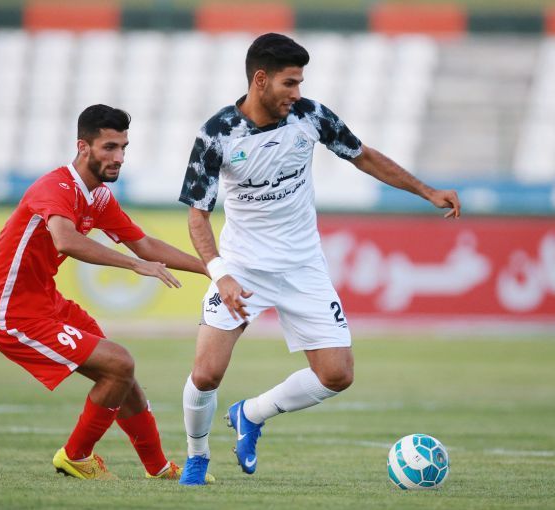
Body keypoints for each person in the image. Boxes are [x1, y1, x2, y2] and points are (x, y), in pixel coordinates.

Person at [176, 33, 461, 485]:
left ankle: (252, 413)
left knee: (336, 374)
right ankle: (197, 458)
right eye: (289, 83)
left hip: (302, 265)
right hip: (242, 268)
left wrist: (427, 191)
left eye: (300, 83)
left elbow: (363, 156)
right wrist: (221, 274)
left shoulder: (310, 116)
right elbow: (197, 217)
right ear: (260, 79)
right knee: (207, 373)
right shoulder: (218, 134)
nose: (297, 92)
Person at [0, 104, 213, 482]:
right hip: (13, 313)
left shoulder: (98, 196)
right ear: (83, 147)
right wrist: (133, 266)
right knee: (119, 364)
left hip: (47, 303)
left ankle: (158, 468)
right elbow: (66, 239)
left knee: (122, 375)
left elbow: (145, 244)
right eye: (109, 147)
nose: (119, 157)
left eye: (123, 147)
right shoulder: (55, 187)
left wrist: (211, 267)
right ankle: (75, 456)